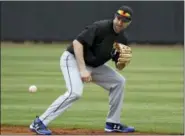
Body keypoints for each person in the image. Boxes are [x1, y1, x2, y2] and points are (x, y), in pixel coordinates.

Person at [29, 5, 135, 135]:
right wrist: (82, 69)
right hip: (72, 59)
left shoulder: (123, 39)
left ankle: (112, 123)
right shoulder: (100, 27)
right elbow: (77, 43)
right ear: (114, 17)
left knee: (119, 82)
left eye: (124, 20)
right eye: (118, 18)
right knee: (75, 92)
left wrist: (120, 62)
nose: (120, 22)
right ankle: (39, 122)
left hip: (93, 65)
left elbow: (116, 60)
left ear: (128, 23)